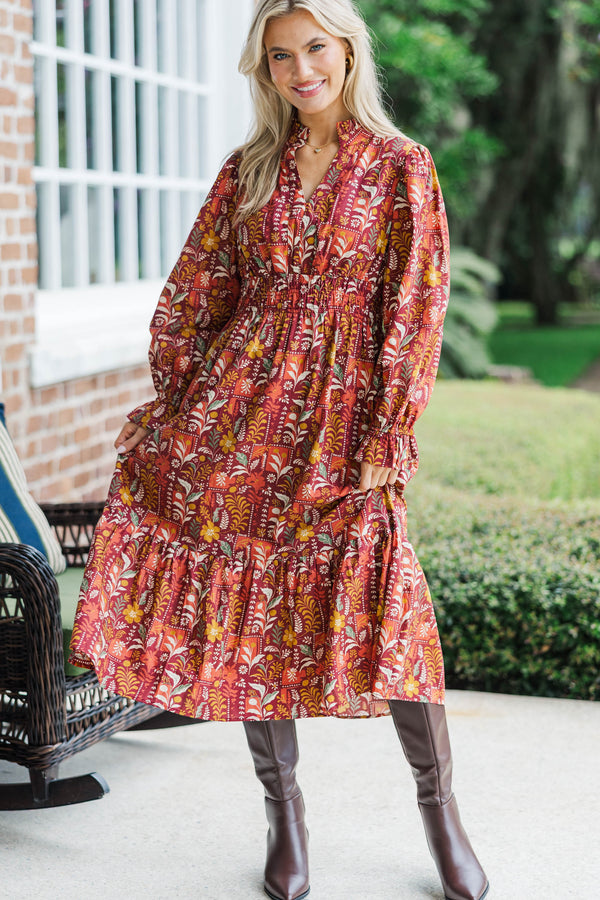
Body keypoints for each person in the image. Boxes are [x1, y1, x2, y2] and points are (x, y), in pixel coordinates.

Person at [69, 1, 489, 898]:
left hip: (343, 427)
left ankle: (440, 812)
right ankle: (284, 814)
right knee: (251, 616)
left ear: (348, 51)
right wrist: (176, 406)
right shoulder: (249, 170)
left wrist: (390, 426)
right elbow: (197, 291)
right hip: (239, 421)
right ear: (264, 71)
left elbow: (417, 305)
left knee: (391, 604)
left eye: (315, 49)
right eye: (280, 57)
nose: (302, 70)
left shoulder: (401, 166)